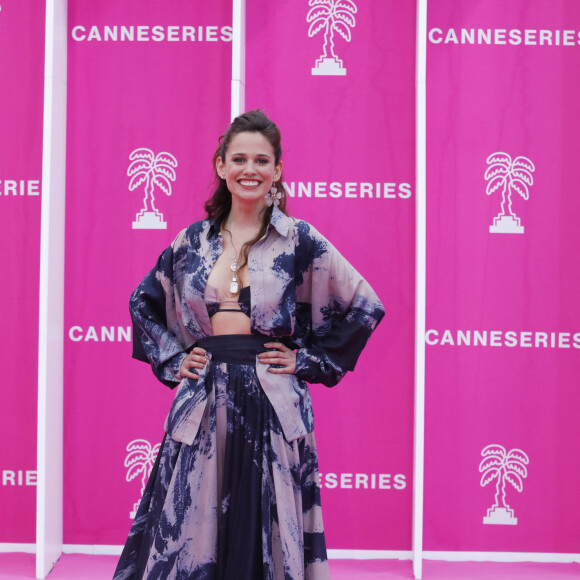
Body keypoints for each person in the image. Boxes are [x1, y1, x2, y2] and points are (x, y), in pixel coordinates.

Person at [113, 110, 385, 580]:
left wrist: (311, 361)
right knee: (189, 529)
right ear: (221, 166)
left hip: (273, 402)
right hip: (202, 402)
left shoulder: (300, 240)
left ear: (277, 170)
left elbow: (364, 305)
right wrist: (177, 360)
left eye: (262, 160)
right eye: (239, 158)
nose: (250, 169)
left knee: (270, 525)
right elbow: (144, 302)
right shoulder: (191, 242)